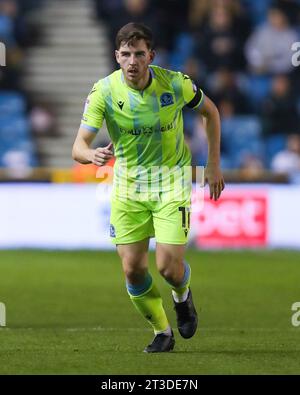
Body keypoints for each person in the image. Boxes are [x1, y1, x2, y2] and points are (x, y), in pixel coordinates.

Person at [72, 22, 225, 353]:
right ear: (117, 56)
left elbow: (211, 113)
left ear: (150, 55)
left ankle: (182, 297)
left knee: (168, 267)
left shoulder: (175, 84)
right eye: (125, 54)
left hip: (171, 182)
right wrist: (91, 154)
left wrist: (212, 164)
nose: (132, 62)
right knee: (132, 269)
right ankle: (162, 332)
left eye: (139, 54)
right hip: (128, 187)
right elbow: (78, 147)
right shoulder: (104, 91)